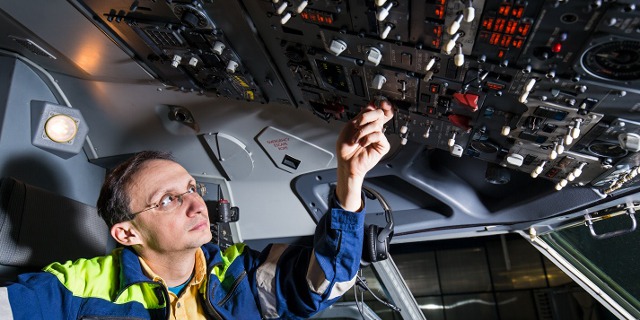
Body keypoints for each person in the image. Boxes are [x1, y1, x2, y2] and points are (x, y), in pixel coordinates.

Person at [0, 101, 394, 319]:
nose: (194, 203)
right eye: (169, 199)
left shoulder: (240, 273)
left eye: (191, 188)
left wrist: (350, 178)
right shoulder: (79, 286)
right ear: (127, 233)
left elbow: (325, 284)